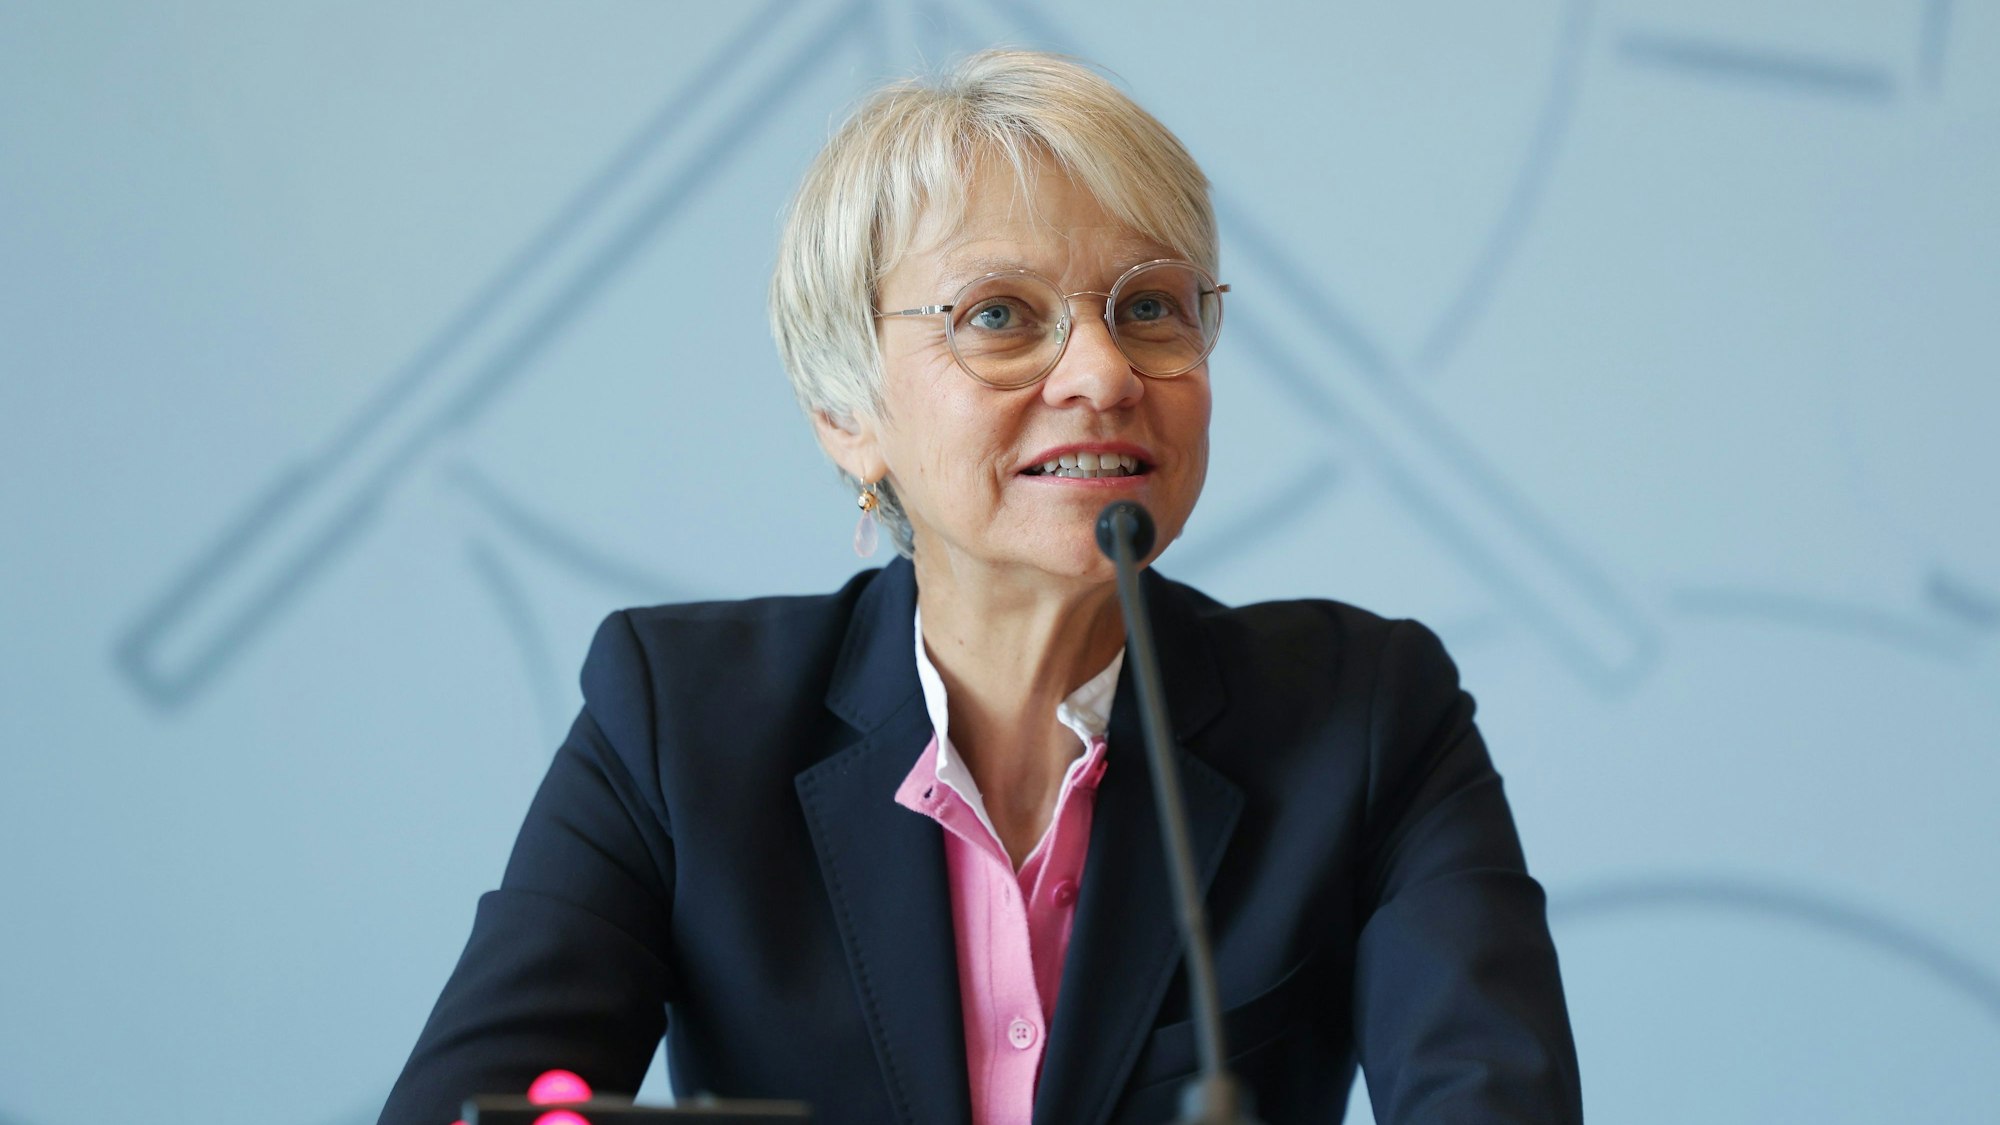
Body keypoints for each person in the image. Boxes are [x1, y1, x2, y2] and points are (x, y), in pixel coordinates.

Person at [379, 50, 1582, 1125]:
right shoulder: (676, 723)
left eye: (1151, 307)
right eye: (999, 317)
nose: (1105, 374)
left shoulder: (1367, 719)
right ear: (847, 413)